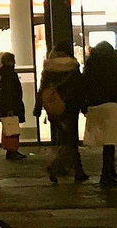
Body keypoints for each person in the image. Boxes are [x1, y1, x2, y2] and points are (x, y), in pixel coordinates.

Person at [82, 41, 117, 187]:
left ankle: (108, 171)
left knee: (102, 139)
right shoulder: (116, 67)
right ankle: (108, 172)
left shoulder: (90, 67)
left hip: (96, 105)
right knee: (110, 143)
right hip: (113, 105)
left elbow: (85, 85)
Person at [37, 43, 87, 184]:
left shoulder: (48, 68)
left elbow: (42, 88)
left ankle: (76, 170)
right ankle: (57, 167)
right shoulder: (73, 67)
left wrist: (38, 107)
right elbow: (79, 88)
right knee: (71, 141)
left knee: (66, 139)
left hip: (54, 108)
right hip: (71, 107)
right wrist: (83, 105)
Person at [0, 52, 27, 161]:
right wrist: (11, 108)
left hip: (6, 105)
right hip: (11, 105)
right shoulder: (9, 74)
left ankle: (11, 150)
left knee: (8, 128)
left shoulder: (1, 73)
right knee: (12, 129)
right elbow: (10, 92)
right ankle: (12, 150)